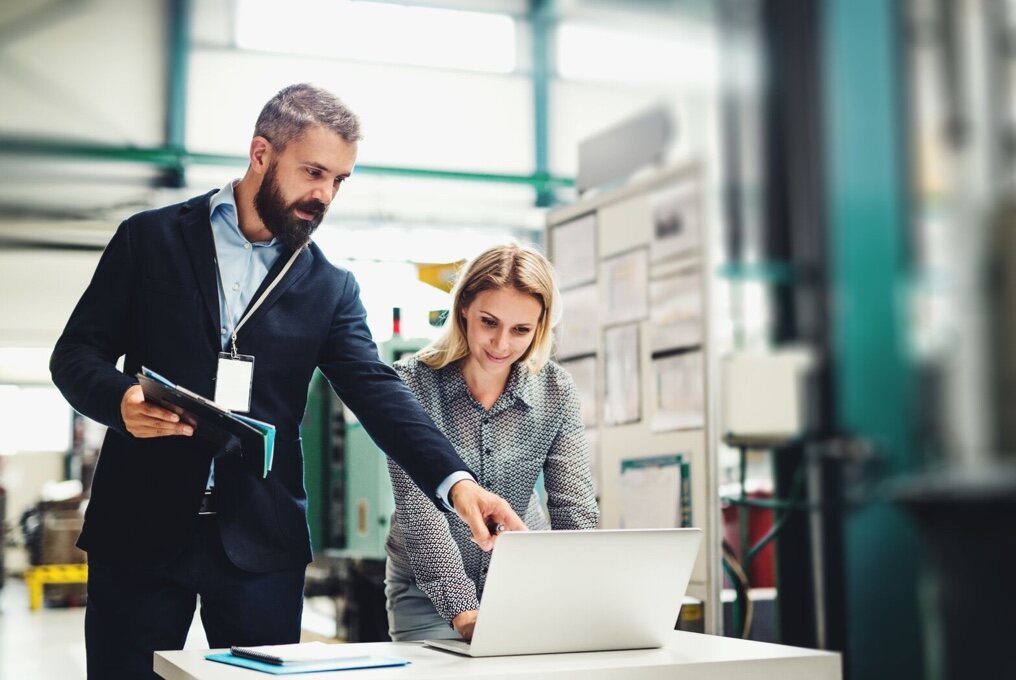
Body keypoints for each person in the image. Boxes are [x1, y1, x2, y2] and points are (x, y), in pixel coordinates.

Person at [49, 83, 524, 679]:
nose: (324, 194)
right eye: (314, 172)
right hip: (140, 528)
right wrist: (120, 401)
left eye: (339, 181)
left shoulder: (329, 286)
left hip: (260, 541)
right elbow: (74, 355)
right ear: (261, 154)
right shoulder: (150, 240)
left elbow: (378, 394)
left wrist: (457, 484)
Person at [383, 243, 600, 642]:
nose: (501, 344)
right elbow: (421, 516)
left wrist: (580, 597)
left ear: (541, 327)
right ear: (464, 307)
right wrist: (466, 616)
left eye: (521, 330)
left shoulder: (556, 390)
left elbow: (574, 506)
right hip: (427, 592)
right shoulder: (410, 384)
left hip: (521, 584)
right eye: (489, 322)